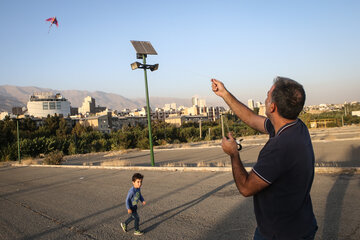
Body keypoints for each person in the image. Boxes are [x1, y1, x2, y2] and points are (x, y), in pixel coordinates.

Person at [211, 77, 318, 240]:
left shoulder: (279, 147)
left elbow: (246, 188)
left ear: (273, 107)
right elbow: (252, 119)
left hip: (280, 234)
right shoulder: (296, 126)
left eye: (268, 96)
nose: (265, 98)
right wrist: (225, 94)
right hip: (301, 225)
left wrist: (233, 154)